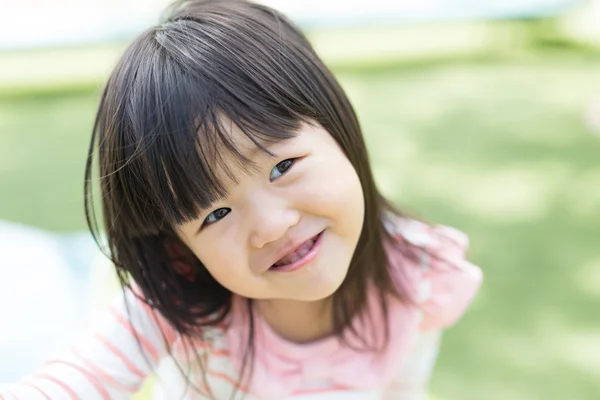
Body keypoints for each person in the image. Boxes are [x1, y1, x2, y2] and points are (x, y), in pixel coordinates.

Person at [0, 1, 482, 399]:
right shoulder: (181, 296)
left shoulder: (418, 276)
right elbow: (78, 381)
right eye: (216, 214)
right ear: (180, 246)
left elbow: (402, 390)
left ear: (337, 124)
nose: (272, 226)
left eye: (282, 167)